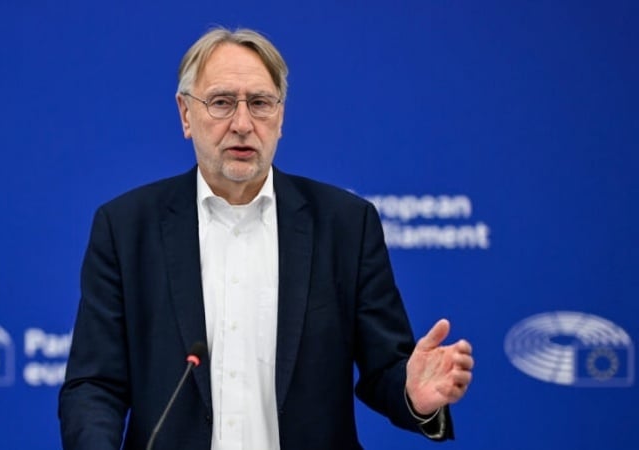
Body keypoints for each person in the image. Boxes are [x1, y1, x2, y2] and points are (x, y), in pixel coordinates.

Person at [58, 27, 474, 450]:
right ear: (185, 114)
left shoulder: (345, 225)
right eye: (221, 103)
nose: (242, 124)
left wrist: (412, 394)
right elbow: (94, 386)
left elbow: (386, 368)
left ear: (281, 117)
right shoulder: (127, 228)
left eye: (259, 103)